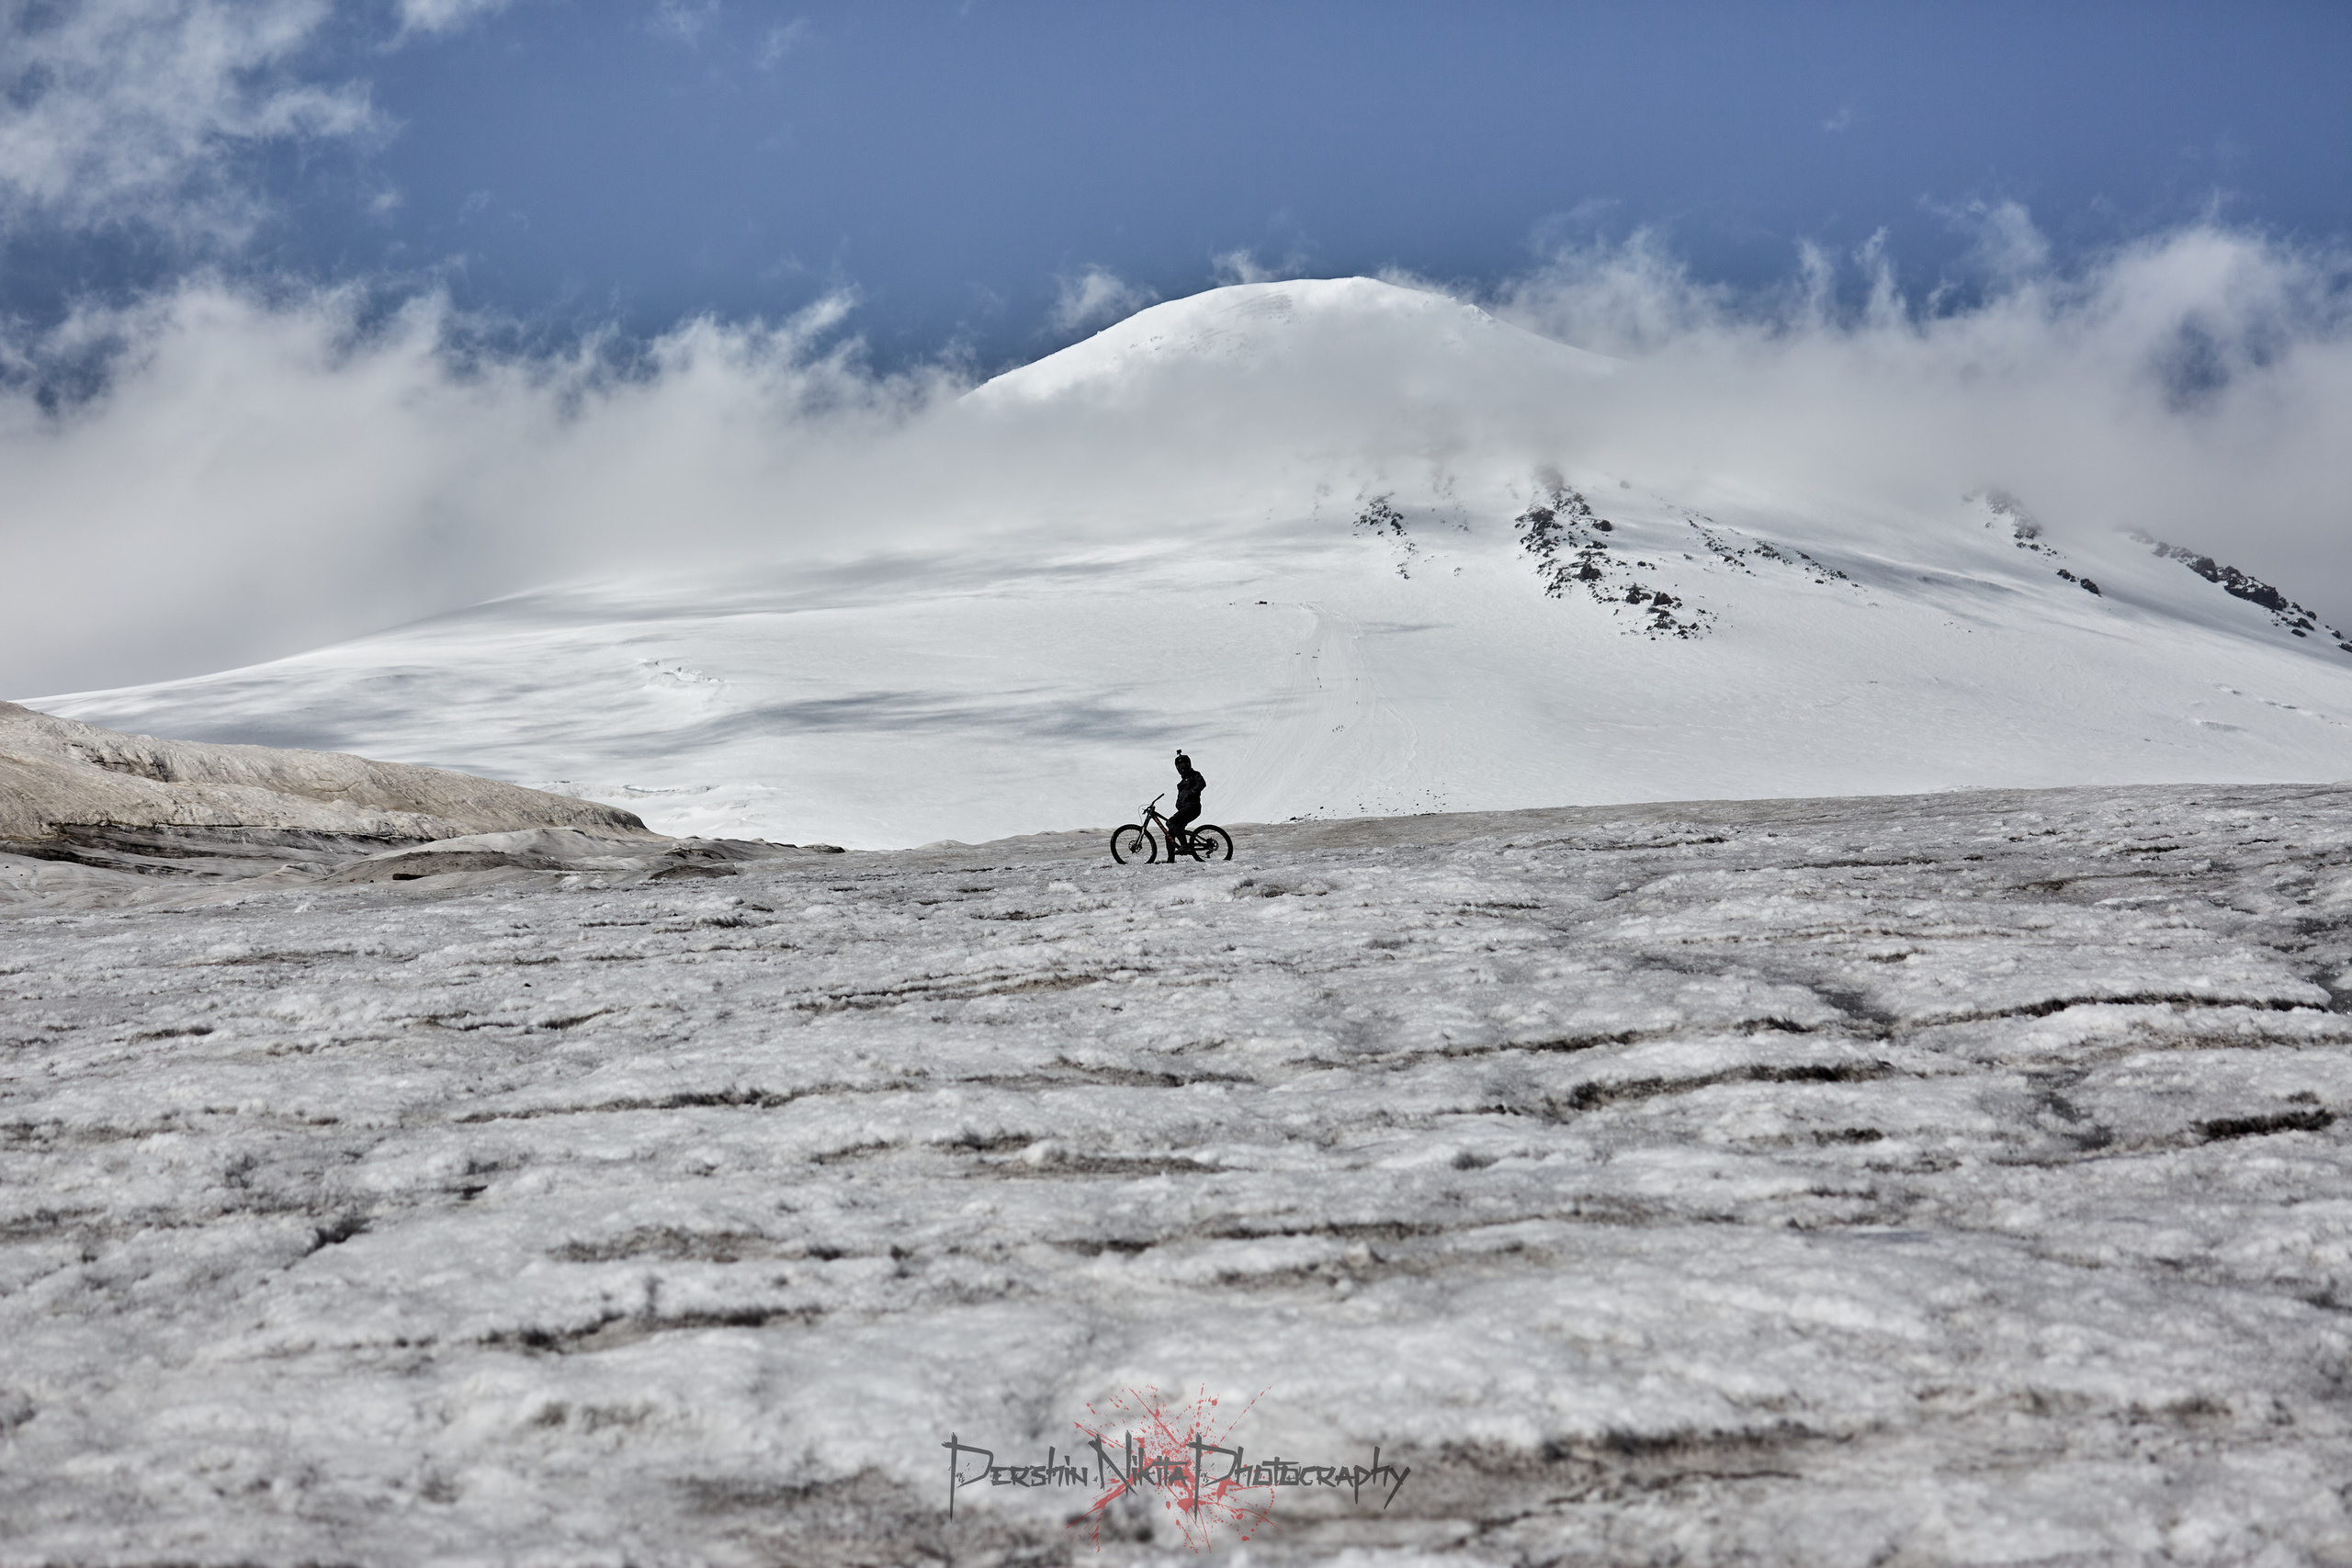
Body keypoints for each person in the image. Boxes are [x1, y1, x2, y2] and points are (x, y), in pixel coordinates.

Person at [1166, 750, 1206, 859]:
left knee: (1170, 822)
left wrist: (1193, 792)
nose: (1182, 767)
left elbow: (1202, 783)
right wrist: (1178, 803)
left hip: (1192, 807)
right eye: (1179, 765)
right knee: (1170, 834)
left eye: (1183, 764)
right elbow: (1180, 798)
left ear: (1188, 764)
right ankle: (1170, 859)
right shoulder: (1181, 784)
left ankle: (1184, 845)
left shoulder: (1195, 775)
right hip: (1185, 809)